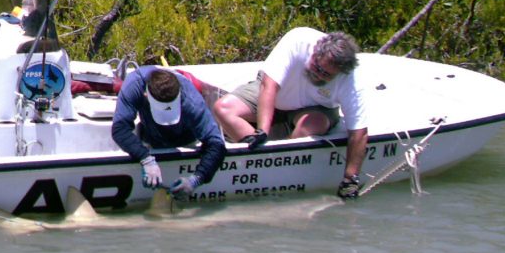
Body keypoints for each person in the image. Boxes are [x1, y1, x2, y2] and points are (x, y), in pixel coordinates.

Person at [212, 27, 368, 199]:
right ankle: (260, 157)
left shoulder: (352, 79)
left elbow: (358, 133)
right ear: (316, 51)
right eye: (316, 66)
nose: (318, 74)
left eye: (326, 74)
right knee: (223, 108)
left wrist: (350, 178)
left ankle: (278, 164)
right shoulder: (299, 40)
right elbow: (269, 86)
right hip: (274, 94)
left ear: (340, 73)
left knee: (310, 126)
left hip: (316, 108)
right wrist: (262, 130)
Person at [112, 67, 226, 201]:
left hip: (185, 137)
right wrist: (145, 159)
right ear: (146, 95)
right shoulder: (134, 85)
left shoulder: (191, 100)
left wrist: (195, 180)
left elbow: (217, 144)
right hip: (150, 136)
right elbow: (119, 129)